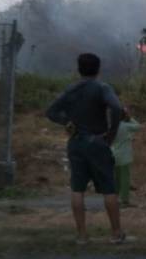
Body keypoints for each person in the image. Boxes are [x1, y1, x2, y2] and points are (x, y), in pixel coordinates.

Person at [46, 53, 130, 245]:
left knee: (77, 189)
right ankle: (116, 234)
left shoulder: (71, 89)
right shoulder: (102, 87)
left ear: (79, 69)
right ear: (98, 69)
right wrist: (112, 132)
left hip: (75, 143)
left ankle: (82, 236)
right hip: (98, 142)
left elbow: (50, 112)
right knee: (109, 188)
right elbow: (116, 108)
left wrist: (66, 122)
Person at [111, 110, 141, 208]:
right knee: (125, 179)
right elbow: (138, 126)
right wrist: (130, 118)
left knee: (116, 179)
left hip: (113, 154)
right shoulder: (125, 126)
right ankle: (124, 201)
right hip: (124, 156)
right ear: (124, 116)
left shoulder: (112, 126)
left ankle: (114, 199)